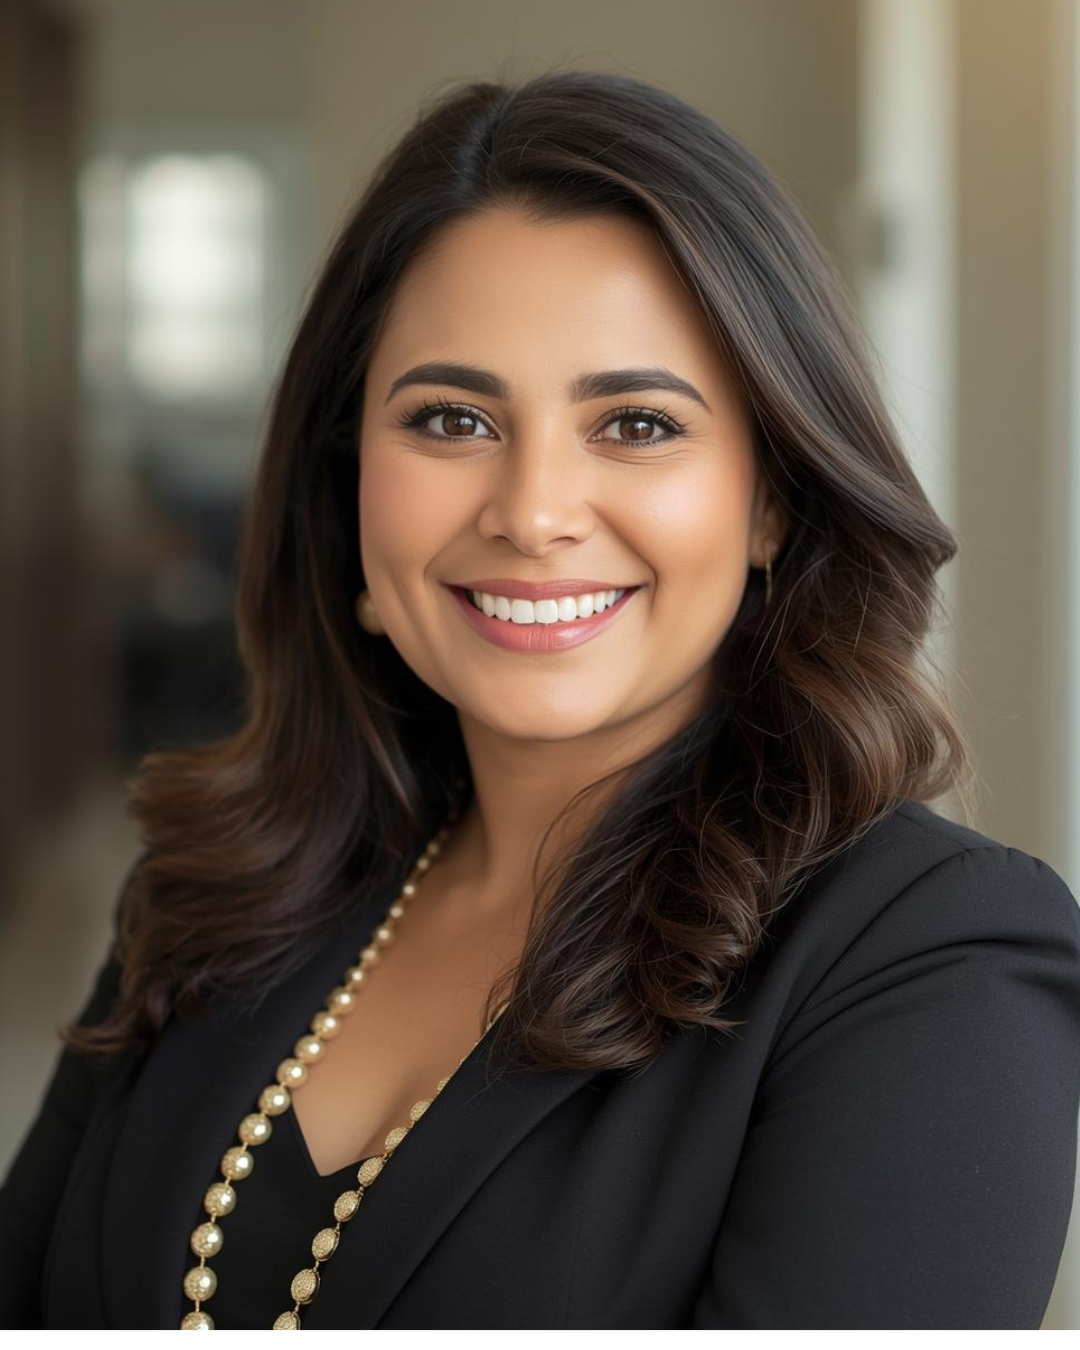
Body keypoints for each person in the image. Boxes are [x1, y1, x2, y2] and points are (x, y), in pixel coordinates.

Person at [2, 68, 1079, 1331]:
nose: (531, 514)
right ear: (347, 488)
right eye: (452, 418)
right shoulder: (214, 894)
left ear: (774, 498)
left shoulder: (927, 964)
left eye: (635, 425)